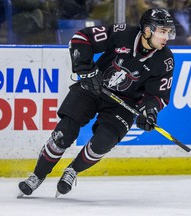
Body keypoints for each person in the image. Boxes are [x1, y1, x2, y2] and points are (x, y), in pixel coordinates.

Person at [18, 8, 176, 197]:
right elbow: (81, 39)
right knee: (64, 133)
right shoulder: (122, 33)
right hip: (94, 87)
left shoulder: (165, 60)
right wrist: (85, 69)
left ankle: (72, 171)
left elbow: (158, 95)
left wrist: (149, 111)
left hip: (124, 103)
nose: (166, 37)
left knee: (103, 142)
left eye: (168, 32)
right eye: (162, 31)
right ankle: (37, 176)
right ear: (148, 30)